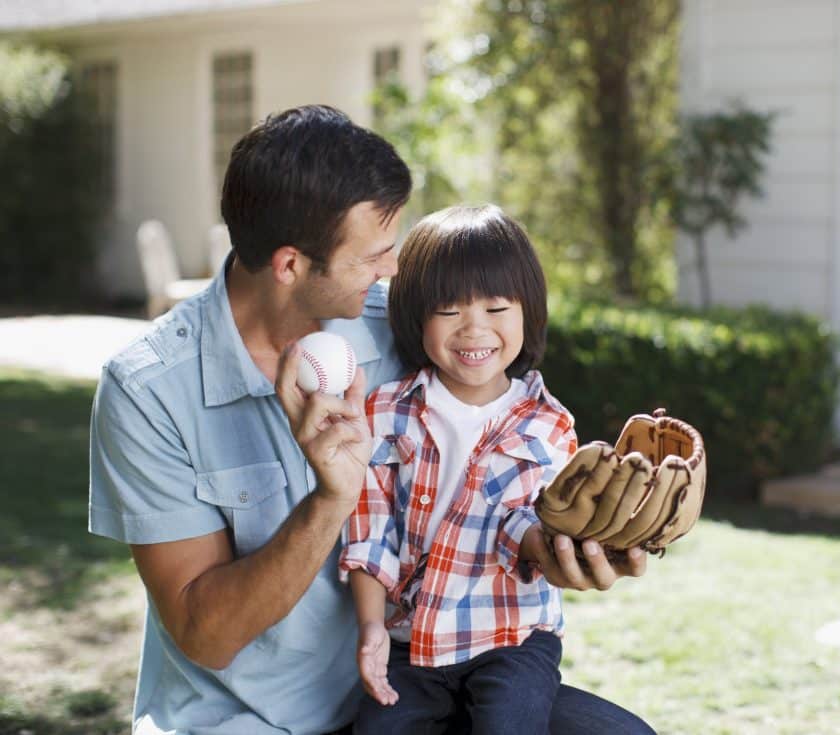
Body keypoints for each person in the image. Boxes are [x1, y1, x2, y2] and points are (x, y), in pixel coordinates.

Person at [88, 104, 652, 734]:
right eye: (373, 255)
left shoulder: (403, 325)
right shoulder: (148, 389)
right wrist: (332, 498)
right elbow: (206, 636)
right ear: (291, 265)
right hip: (246, 717)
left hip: (424, 670)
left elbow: (500, 446)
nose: (392, 270)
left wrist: (563, 547)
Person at [341, 204, 574, 734]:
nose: (475, 329)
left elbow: (533, 527)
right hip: (410, 640)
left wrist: (562, 543)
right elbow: (371, 528)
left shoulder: (549, 425)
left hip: (512, 638)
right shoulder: (387, 412)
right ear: (416, 316)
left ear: (527, 311)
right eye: (449, 310)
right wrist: (372, 626)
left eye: (496, 307)